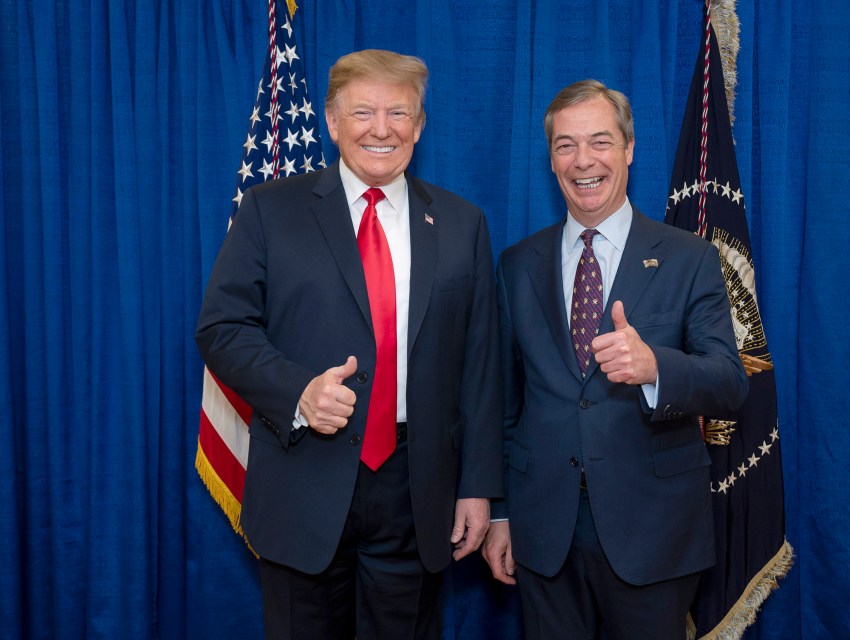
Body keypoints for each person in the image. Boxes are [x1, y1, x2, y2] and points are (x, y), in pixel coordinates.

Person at [196, 49, 502, 640]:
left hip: (418, 493)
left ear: (419, 126)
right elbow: (221, 328)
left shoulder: (464, 223)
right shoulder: (270, 210)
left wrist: (478, 487)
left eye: (399, 113)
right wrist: (299, 392)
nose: (381, 128)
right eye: (363, 112)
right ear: (333, 123)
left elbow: (481, 366)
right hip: (303, 480)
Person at [482, 79, 748, 639]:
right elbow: (501, 406)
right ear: (551, 158)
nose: (584, 161)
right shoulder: (516, 264)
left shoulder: (689, 258)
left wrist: (656, 369)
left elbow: (729, 382)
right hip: (543, 531)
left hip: (654, 532)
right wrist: (501, 512)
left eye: (600, 142)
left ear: (629, 149)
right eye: (565, 145)